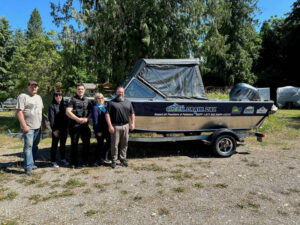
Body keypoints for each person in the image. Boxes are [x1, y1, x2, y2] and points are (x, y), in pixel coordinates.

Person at [16, 81, 44, 175]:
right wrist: (24, 126)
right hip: (28, 127)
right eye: (32, 86)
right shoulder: (23, 96)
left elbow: (41, 112)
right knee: (28, 146)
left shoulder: (39, 97)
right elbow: (19, 112)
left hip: (38, 126)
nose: (34, 88)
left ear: (37, 88)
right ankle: (28, 167)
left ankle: (32, 163)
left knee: (35, 146)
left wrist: (43, 124)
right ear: (28, 87)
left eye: (35, 86)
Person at [105, 86, 135, 169]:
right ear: (116, 93)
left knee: (124, 144)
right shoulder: (111, 103)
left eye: (122, 92)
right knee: (114, 144)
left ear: (124, 93)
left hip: (126, 126)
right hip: (115, 126)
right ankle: (114, 160)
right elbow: (107, 115)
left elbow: (132, 114)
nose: (120, 93)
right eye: (119, 92)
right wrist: (110, 126)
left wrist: (132, 123)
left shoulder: (128, 102)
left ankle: (123, 159)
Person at [66, 84, 92, 168]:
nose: (80, 90)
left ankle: (85, 161)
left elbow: (91, 111)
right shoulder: (72, 100)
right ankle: (74, 163)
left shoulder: (87, 100)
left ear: (84, 90)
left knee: (86, 144)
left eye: (82, 89)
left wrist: (87, 119)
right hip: (75, 126)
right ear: (76, 90)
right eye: (78, 89)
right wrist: (77, 119)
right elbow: (68, 112)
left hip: (84, 126)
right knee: (74, 144)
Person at [48, 91, 69, 168]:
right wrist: (54, 130)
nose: (59, 97)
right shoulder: (52, 106)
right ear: (54, 97)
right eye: (57, 95)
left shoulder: (65, 105)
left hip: (64, 128)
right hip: (56, 129)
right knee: (54, 145)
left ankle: (63, 159)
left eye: (60, 95)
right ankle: (53, 161)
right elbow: (51, 119)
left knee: (63, 145)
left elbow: (67, 117)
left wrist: (67, 128)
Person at [91, 93, 110, 166]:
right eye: (98, 98)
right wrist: (98, 131)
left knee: (110, 142)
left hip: (106, 129)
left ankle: (104, 157)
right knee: (100, 145)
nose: (100, 99)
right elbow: (95, 121)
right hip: (99, 129)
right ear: (96, 99)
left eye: (102, 97)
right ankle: (97, 161)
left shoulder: (105, 106)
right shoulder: (95, 107)